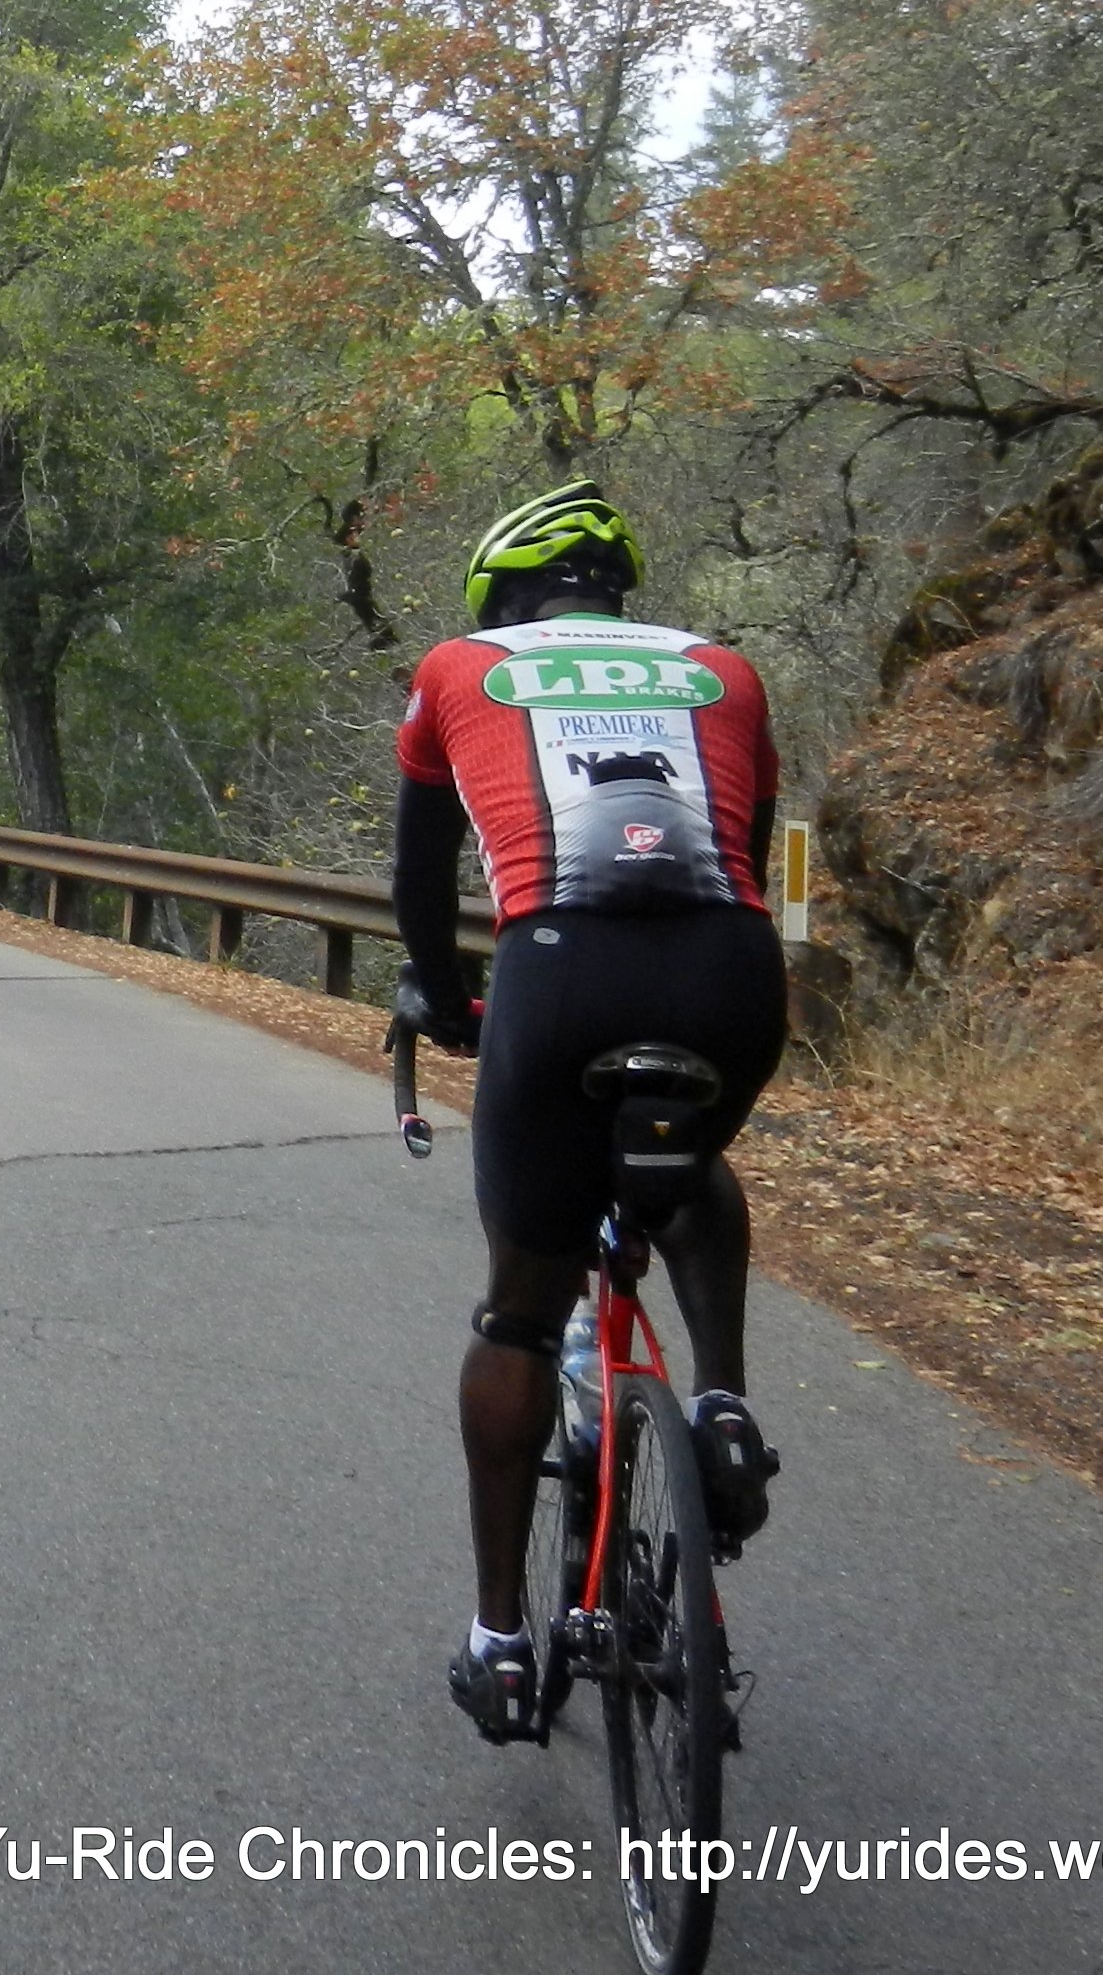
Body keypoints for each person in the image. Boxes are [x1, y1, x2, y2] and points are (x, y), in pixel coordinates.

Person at [391, 479, 789, 1745]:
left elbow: (419, 878)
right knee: (692, 1157)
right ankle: (721, 1404)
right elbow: (750, 846)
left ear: (503, 597)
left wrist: (443, 995)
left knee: (520, 1311)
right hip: (732, 971)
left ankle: (501, 1644)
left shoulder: (458, 667)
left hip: (560, 971)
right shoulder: (724, 670)